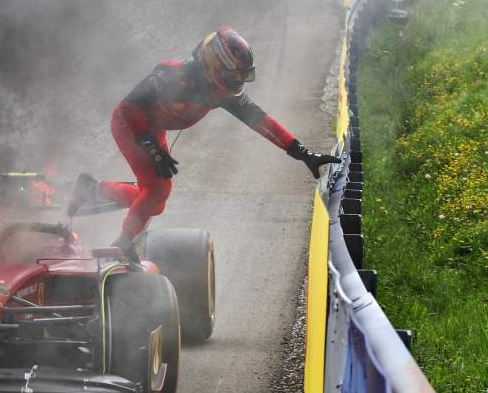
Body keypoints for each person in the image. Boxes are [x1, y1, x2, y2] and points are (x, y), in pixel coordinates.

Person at [69, 27, 340, 261]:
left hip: (153, 129)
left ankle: (93, 189)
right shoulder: (171, 76)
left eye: (243, 77)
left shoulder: (219, 91)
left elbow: (261, 121)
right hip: (131, 125)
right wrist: (150, 146)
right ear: (214, 65)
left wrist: (302, 153)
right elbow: (128, 108)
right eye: (234, 76)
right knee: (156, 191)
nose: (239, 83)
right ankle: (123, 244)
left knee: (155, 201)